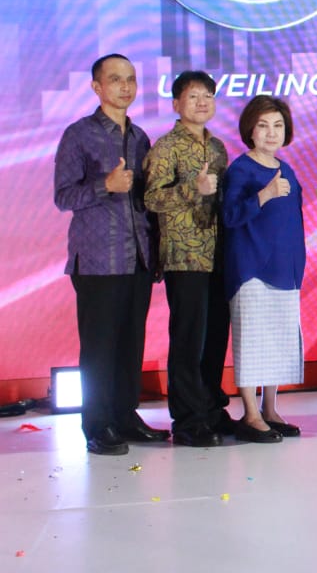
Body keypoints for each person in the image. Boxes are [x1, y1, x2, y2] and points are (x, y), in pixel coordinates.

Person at [54, 54, 169, 455]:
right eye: (116, 79)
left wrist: (155, 252)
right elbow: (63, 196)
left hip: (137, 257)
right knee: (100, 347)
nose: (125, 86)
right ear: (96, 87)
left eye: (131, 79)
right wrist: (106, 184)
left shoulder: (140, 138)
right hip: (97, 259)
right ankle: (97, 424)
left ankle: (124, 415)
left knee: (130, 343)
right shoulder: (78, 134)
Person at [144, 70, 231, 447]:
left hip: (218, 255)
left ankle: (211, 409)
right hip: (184, 256)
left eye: (208, 96)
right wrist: (190, 189)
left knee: (215, 336)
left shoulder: (218, 148)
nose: (201, 103)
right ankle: (187, 419)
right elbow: (151, 199)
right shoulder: (166, 147)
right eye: (193, 96)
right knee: (188, 339)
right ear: (177, 103)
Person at [222, 96, 305, 443]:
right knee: (252, 340)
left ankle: (270, 409)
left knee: (277, 339)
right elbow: (230, 216)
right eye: (264, 126)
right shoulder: (241, 169)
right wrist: (264, 195)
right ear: (250, 130)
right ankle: (250, 414)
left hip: (285, 268)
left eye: (278, 126)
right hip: (251, 268)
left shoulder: (287, 169)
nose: (272, 133)